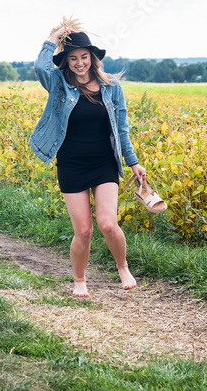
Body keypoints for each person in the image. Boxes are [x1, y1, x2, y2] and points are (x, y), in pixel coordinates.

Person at [29, 22, 147, 298]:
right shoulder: (59, 84)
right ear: (66, 61)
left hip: (104, 163)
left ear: (92, 58)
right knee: (83, 231)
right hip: (71, 164)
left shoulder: (111, 87)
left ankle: (122, 266)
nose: (79, 63)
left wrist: (133, 162)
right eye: (73, 58)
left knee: (107, 223)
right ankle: (80, 279)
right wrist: (53, 39)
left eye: (84, 57)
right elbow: (40, 68)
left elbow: (121, 128)